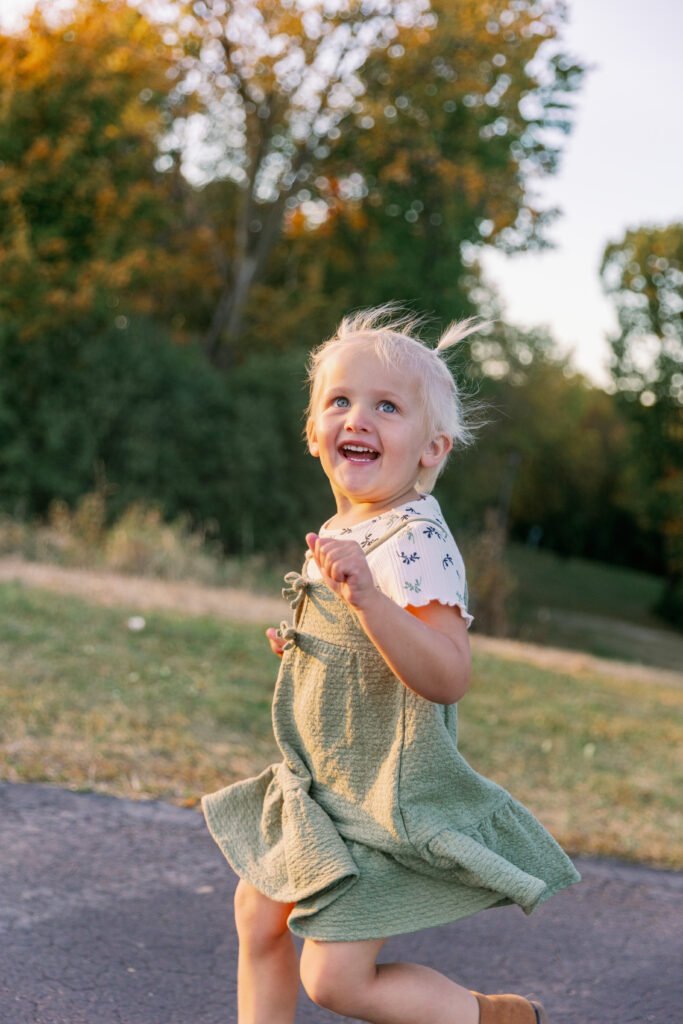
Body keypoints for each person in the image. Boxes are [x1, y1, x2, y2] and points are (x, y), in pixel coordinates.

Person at [202, 306, 580, 1024]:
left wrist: (367, 601)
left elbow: (445, 673)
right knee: (258, 912)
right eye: (339, 401)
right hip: (327, 779)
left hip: (382, 797)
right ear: (312, 431)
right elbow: (360, 643)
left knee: (336, 980)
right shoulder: (352, 525)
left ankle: (489, 1018)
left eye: (386, 406)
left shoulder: (415, 542)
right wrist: (310, 642)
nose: (357, 418)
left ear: (432, 448)